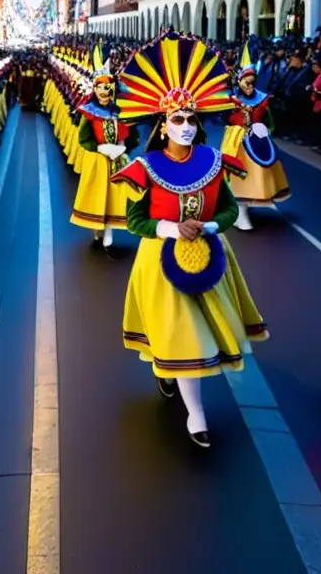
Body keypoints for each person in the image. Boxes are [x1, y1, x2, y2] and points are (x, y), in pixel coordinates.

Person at [110, 32, 269, 448]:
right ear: (161, 126)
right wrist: (170, 229)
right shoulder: (146, 165)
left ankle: (175, 379)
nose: (185, 126)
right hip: (160, 262)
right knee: (181, 331)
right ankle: (196, 413)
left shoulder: (214, 162)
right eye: (177, 119)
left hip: (210, 257)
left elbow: (230, 209)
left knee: (199, 331)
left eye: (191, 119)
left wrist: (211, 227)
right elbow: (136, 219)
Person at [69, 43, 139, 256]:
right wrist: (102, 147)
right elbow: (84, 139)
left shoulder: (122, 112)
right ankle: (98, 232)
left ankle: (108, 238)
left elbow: (134, 137)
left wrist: (122, 147)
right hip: (98, 162)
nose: (104, 90)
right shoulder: (89, 112)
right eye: (100, 86)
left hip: (117, 161)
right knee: (99, 198)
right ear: (94, 88)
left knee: (115, 198)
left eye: (108, 86)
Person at [220, 42, 290, 230]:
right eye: (246, 81)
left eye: (253, 81)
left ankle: (247, 206)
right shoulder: (230, 100)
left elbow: (272, 121)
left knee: (258, 175)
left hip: (256, 142)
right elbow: (223, 118)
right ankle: (239, 212)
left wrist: (265, 128)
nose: (250, 85)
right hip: (235, 143)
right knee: (238, 175)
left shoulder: (263, 99)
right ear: (239, 81)